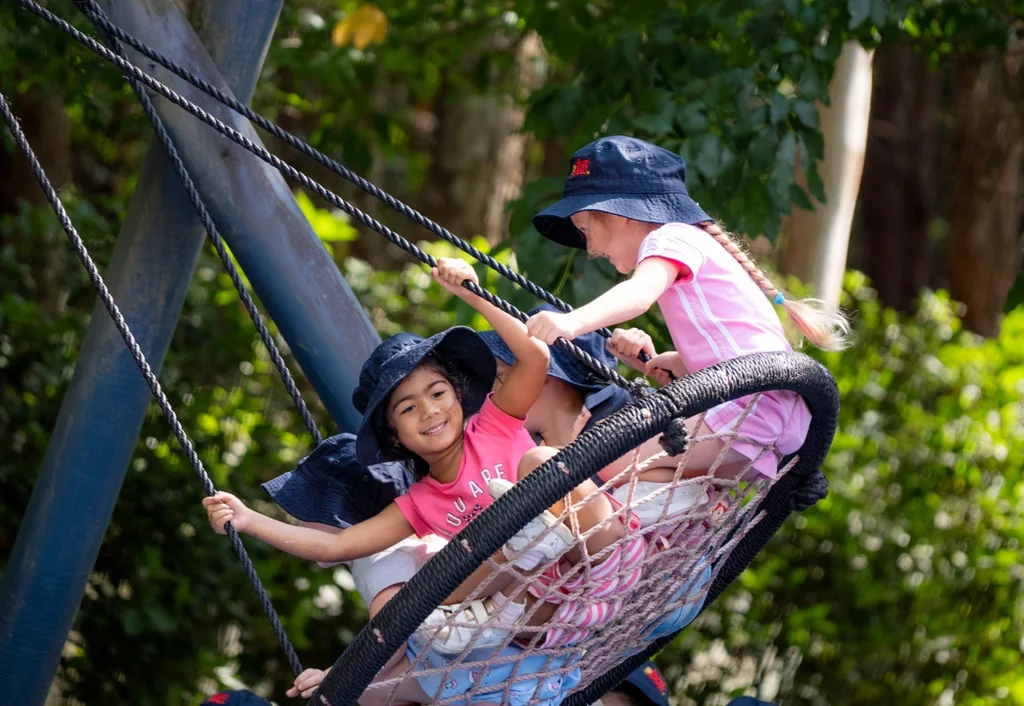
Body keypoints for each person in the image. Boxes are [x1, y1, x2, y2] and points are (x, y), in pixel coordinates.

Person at [271, 307, 709, 703]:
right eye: (408, 408)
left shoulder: (495, 427)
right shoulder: (417, 508)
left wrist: (469, 293)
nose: (428, 411)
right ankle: (522, 538)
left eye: (437, 394)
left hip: (609, 561)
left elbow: (535, 358)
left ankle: (528, 532)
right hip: (554, 614)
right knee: (448, 585)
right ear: (394, 437)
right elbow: (348, 566)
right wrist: (248, 520)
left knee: (540, 465)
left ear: (459, 396)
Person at [525, 134, 848, 493]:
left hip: (749, 408)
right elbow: (734, 342)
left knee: (609, 458)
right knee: (639, 477)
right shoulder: (689, 243)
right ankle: (685, 525)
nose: (588, 250)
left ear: (622, 214)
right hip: (772, 415)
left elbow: (639, 294)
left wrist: (572, 322)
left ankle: (628, 537)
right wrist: (681, 363)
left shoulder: (669, 238)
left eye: (585, 231)